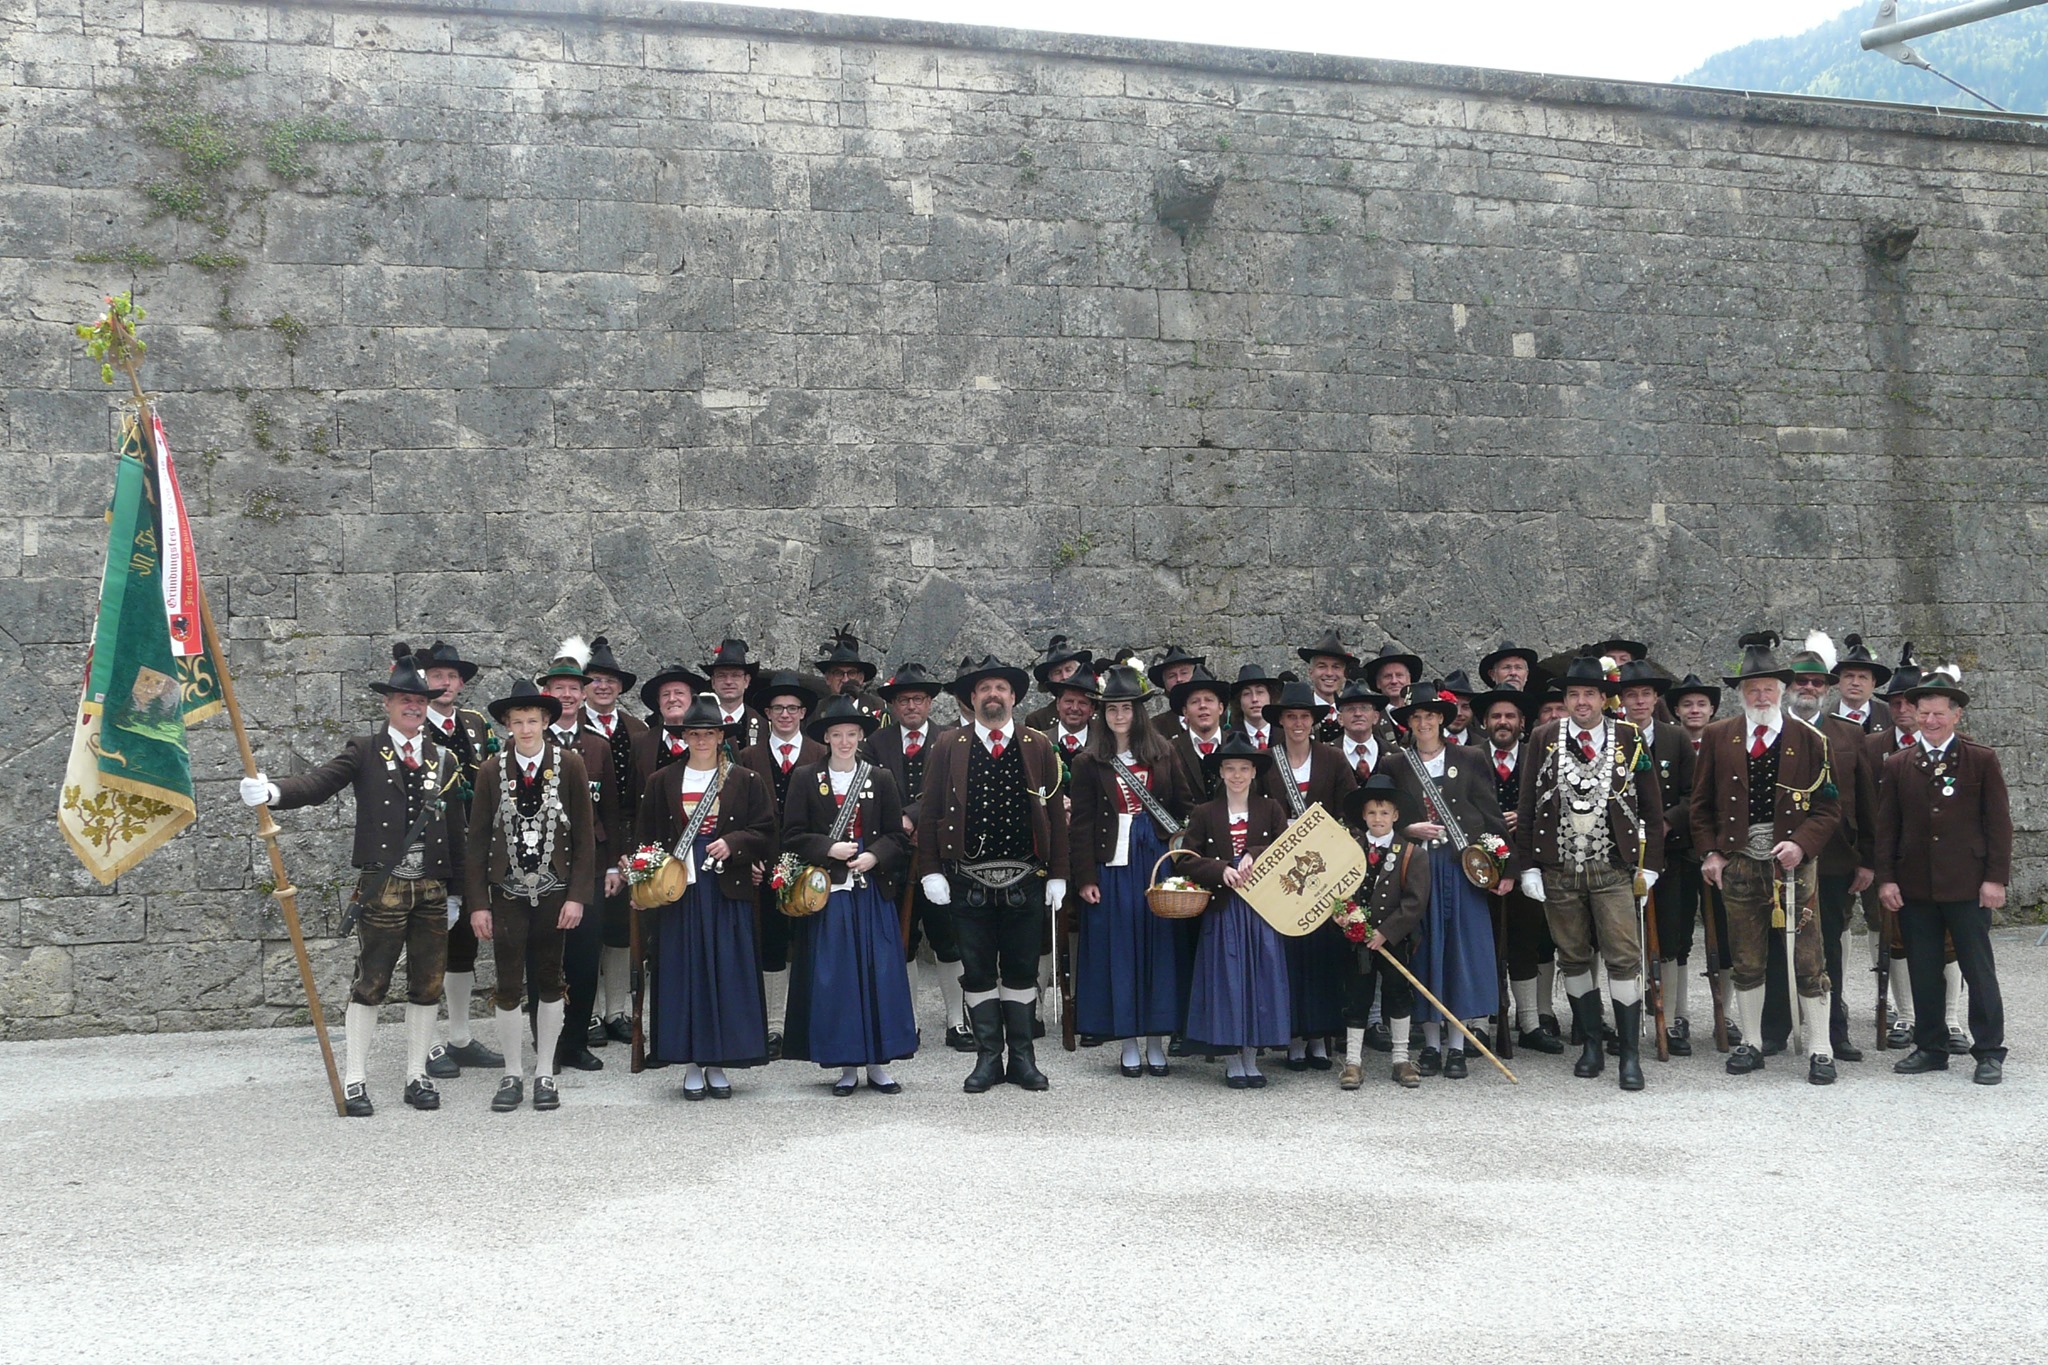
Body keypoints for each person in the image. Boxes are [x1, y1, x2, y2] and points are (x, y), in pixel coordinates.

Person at [239, 646, 467, 1116]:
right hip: (383, 886)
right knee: (371, 982)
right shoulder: (365, 750)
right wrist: (274, 791)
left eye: (419, 700)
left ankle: (416, 1075)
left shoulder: (442, 758)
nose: (413, 707)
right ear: (387, 704)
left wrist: (458, 893)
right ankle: (356, 1079)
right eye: (404, 699)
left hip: (431, 887)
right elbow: (320, 783)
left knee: (427, 984)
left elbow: (456, 831)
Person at [1688, 633, 1841, 1085]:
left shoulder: (1811, 739)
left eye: (1768, 688)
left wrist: (1802, 845)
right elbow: (1701, 806)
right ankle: (1752, 1042)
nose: (1760, 696)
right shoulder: (1718, 736)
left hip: (1792, 865)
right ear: (1741, 694)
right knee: (1747, 958)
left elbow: (1828, 807)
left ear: (1782, 690)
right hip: (1738, 864)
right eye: (1752, 689)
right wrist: (1711, 852)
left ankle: (1821, 1048)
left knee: (1809, 960)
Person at [916, 656, 1070, 1093]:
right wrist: (931, 870)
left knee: (1021, 969)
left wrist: (1058, 873)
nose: (993, 695)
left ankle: (1022, 1058)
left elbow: (1055, 815)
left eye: (1000, 688)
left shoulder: (1038, 745)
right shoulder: (949, 744)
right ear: (972, 698)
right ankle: (987, 1058)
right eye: (984, 689)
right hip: (968, 880)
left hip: (1026, 877)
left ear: (1014, 697)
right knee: (977, 970)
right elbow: (930, 812)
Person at [1514, 654, 1666, 1091]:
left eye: (1589, 694)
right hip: (1559, 868)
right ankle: (1591, 1045)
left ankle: (1629, 1055)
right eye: (1574, 694)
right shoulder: (1543, 736)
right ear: (1565, 699)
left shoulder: (1629, 737)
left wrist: (1650, 866)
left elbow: (1652, 809)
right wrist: (1529, 866)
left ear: (1604, 698)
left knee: (1623, 957)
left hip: (1613, 868)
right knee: (1573, 956)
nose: (1581, 702)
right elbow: (1527, 806)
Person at [634, 695, 778, 1098]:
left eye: (709, 734)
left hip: (726, 890)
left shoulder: (745, 780)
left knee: (727, 974)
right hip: (679, 891)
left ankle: (719, 1062)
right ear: (684, 737)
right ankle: (692, 1064)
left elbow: (765, 831)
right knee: (684, 974)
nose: (701, 740)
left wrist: (733, 843)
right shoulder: (662, 780)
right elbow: (647, 837)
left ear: (720, 737)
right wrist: (641, 884)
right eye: (694, 734)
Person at [463, 676, 596, 1112]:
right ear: (507, 725)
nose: (525, 729)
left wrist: (577, 895)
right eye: (517, 722)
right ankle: (512, 1072)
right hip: (506, 893)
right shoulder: (491, 770)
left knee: (551, 979)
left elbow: (585, 837)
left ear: (545, 722)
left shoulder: (569, 764)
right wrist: (478, 904)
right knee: (507, 983)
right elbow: (476, 842)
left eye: (533, 721)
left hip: (555, 891)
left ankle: (544, 1072)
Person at [1877, 669, 2010, 1085]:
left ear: (1956, 716)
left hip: (1967, 884)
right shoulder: (1899, 764)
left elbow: (1998, 824)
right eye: (1923, 713)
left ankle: (1989, 1051)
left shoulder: (1980, 759)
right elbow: (1887, 828)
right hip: (1916, 885)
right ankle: (1931, 1047)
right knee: (1924, 969)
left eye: (1938, 714)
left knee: (1978, 970)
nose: (1930, 721)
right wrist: (1887, 879)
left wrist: (1995, 879)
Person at [780, 695, 918, 1095]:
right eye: (837, 735)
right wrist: (828, 848)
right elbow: (792, 835)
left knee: (879, 974)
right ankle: (845, 1066)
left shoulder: (880, 778)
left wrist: (875, 855)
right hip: (828, 892)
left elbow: (897, 836)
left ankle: (879, 1064)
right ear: (826, 738)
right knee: (836, 978)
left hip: (871, 891)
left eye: (851, 735)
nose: (844, 742)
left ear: (861, 737)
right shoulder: (806, 777)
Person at [1068, 664, 1196, 1077]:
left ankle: (1156, 1041)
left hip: (1156, 859)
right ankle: (1127, 1041)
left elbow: (1184, 807)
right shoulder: (1089, 761)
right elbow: (1082, 823)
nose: (1119, 716)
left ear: (1138, 712)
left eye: (1126, 708)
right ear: (1102, 714)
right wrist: (1086, 878)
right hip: (1114, 862)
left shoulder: (1164, 753)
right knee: (1119, 949)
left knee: (1160, 947)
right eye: (1112, 709)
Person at [1386, 684, 1509, 1078]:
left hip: (1461, 870)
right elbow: (1381, 815)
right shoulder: (1395, 764)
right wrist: (1407, 829)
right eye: (1416, 717)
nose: (1423, 723)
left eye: (1430, 716)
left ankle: (1457, 1045)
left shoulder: (1469, 757)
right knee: (1425, 952)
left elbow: (1490, 814)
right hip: (1417, 870)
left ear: (1442, 718)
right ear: (1408, 723)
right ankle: (1431, 1045)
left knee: (1460, 953)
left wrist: (1504, 868)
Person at [1771, 640, 1877, 1062]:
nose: (1809, 688)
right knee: (1777, 945)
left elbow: (1866, 802)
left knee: (1829, 946)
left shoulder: (1849, 733)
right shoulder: (1768, 730)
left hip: (1834, 858)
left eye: (1818, 682)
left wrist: (1868, 860)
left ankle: (1834, 1031)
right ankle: (1776, 1028)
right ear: (1788, 687)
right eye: (1802, 681)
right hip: (1777, 857)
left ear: (1827, 689)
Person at [412, 640, 504, 1077]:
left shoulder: (476, 723)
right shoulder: (413, 727)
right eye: (437, 676)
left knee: (464, 946)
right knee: (428, 946)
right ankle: (427, 1044)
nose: (445, 683)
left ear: (461, 683)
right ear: (424, 682)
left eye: (452, 677)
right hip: (429, 852)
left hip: (472, 850)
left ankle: (461, 1038)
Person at [1180, 736, 1293, 1089]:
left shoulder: (1271, 808)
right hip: (1224, 909)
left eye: (1244, 768)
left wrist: (1254, 854)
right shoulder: (1205, 812)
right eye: (1230, 769)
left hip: (1262, 909)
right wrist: (1220, 869)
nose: (1237, 775)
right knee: (1228, 982)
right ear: (1221, 773)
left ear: (1254, 772)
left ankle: (1251, 1058)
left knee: (1261, 979)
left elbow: (1287, 847)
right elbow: (1186, 860)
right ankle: (1232, 1060)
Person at [1261, 680, 1359, 1071]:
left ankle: (1320, 1037)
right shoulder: (1266, 761)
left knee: (1323, 953)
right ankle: (1294, 1038)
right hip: (1282, 872)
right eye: (1291, 717)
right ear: (1281, 721)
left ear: (1313, 721)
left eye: (1304, 717)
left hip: (1323, 869)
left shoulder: (1333, 759)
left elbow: (1351, 810)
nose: (1298, 723)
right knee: (1289, 953)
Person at [869, 663, 967, 1049]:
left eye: (918, 699)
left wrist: (911, 815)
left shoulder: (951, 739)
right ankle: (907, 1022)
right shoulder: (875, 743)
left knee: (949, 938)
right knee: (902, 938)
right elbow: (870, 791)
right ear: (893, 705)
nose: (911, 706)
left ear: (930, 703)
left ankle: (957, 1021)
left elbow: (954, 790)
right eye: (903, 700)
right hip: (893, 855)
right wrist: (897, 822)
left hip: (940, 854)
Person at [537, 639, 620, 1074]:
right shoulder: (531, 740)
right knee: (545, 955)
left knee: (586, 957)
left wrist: (614, 864)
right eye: (559, 688)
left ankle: (576, 1042)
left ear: (584, 693)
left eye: (574, 688)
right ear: (547, 693)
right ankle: (547, 1045)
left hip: (591, 864)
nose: (567, 695)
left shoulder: (598, 745)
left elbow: (612, 812)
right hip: (543, 865)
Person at [737, 671, 824, 1054]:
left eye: (792, 708)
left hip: (812, 866)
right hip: (765, 867)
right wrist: (748, 859)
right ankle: (773, 1025)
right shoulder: (748, 757)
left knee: (812, 943)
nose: (785, 715)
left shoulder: (821, 753)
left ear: (803, 712)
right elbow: (738, 816)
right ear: (767, 713)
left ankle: (809, 1021)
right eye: (778, 708)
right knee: (770, 944)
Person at [1473, 685, 1560, 1053]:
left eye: (1510, 716)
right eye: (1496, 716)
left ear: (1523, 722)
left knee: (1526, 941)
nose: (1503, 722)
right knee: (1482, 943)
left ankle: (1529, 1023)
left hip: (1528, 863)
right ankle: (1478, 1023)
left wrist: (1525, 816)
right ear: (1485, 722)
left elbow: (1556, 806)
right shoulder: (1468, 757)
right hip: (1478, 866)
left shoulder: (1539, 757)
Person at [1618, 660, 1697, 1056]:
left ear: (1655, 699)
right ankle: (1627, 1019)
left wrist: (1666, 822)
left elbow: (1693, 794)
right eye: (1631, 695)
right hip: (1619, 854)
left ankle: (1671, 1017)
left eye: (1645, 694)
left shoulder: (1675, 738)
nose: (1639, 701)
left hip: (1670, 852)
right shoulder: (1611, 736)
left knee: (1670, 934)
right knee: (1622, 937)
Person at [1337, 775, 1430, 1089]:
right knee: (1357, 997)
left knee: (1398, 994)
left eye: (1385, 812)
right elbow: (1338, 891)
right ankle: (1353, 1062)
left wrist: (1386, 932)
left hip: (1395, 940)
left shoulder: (1412, 853)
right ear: (1363, 816)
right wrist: (1345, 917)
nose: (1378, 818)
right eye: (1372, 813)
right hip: (1357, 940)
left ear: (1396, 815)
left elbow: (1415, 902)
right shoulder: (1350, 850)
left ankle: (1401, 1059)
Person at [1663, 671, 1737, 1045]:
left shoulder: (1727, 742)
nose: (1694, 710)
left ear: (1712, 710)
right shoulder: (1667, 744)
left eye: (1702, 704)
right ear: (1676, 710)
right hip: (1677, 851)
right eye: (1687, 704)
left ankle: (1727, 1013)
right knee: (1674, 935)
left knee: (1725, 934)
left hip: (1721, 851)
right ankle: (1677, 1015)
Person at [580, 636, 645, 1052]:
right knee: (586, 927)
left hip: (626, 836)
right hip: (585, 839)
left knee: (621, 928)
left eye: (610, 681)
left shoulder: (637, 729)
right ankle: (585, 1013)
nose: (603, 686)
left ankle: (616, 1011)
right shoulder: (568, 727)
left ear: (620, 688)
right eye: (595, 680)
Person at [702, 637, 765, 754]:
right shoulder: (700, 722)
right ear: (713, 682)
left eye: (735, 675)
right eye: (721, 676)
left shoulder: (764, 725)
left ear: (746, 681)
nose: (728, 681)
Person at [1023, 635, 1093, 732]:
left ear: (1079, 671)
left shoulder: (1100, 712)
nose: (1064, 676)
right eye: (1057, 672)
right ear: (1050, 678)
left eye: (1068, 669)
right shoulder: (1038, 720)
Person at [1832, 634, 1890, 732]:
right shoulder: (1824, 717)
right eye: (1849, 676)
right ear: (1838, 681)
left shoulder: (1889, 716)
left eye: (1863, 677)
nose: (1855, 683)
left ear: (1873, 683)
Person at [1146, 644, 1206, 738]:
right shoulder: (1156, 726)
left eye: (1184, 673)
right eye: (1172, 676)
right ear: (1165, 683)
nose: (1179, 679)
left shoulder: (1221, 718)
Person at [1044, 669, 1101, 759]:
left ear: (1091, 709)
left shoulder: (1102, 745)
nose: (1075, 708)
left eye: (1082, 703)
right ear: (1058, 704)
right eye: (1069, 701)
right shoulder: (1040, 741)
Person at [1227, 663, 1280, 750]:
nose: (1254, 699)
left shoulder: (1286, 736)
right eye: (1247, 693)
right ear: (1239, 701)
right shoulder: (1228, 740)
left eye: (1260, 692)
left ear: (1270, 696)